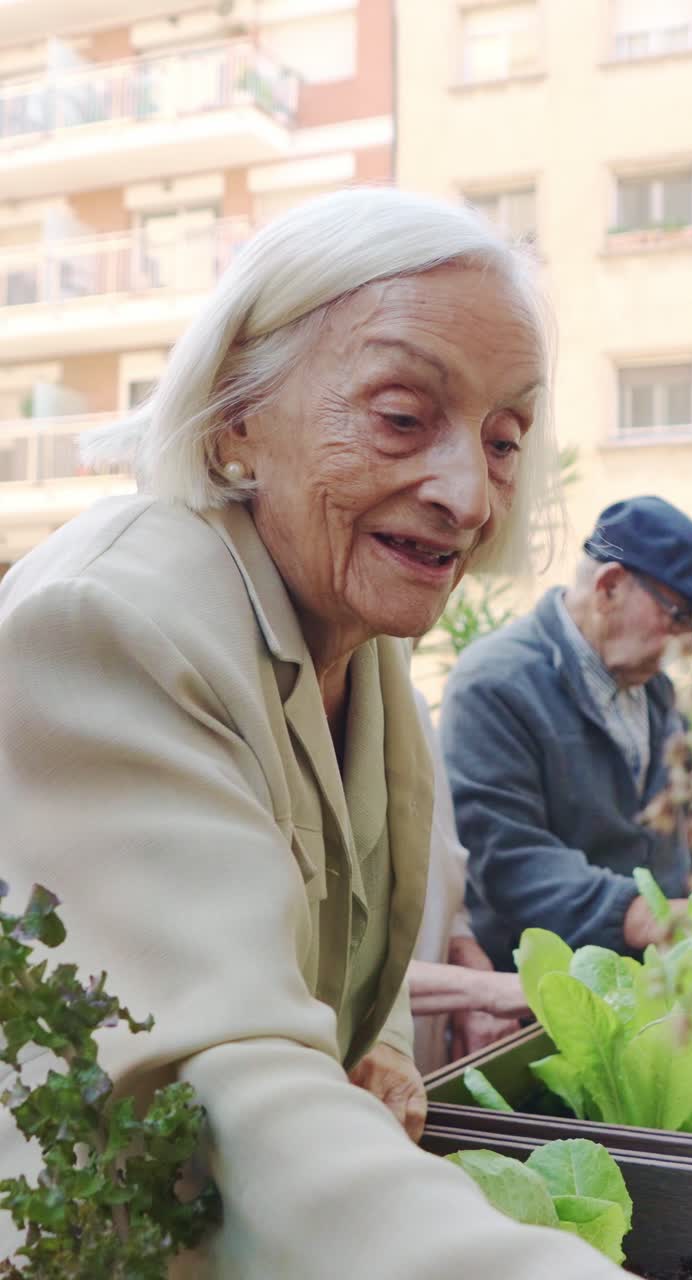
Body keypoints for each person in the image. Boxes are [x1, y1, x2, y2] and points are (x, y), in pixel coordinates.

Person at [0, 187, 628, 1280]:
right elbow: (221, 1091)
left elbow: (327, 947)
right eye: (400, 416)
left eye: (504, 439)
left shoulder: (363, 642)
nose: (466, 492)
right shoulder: (109, 622)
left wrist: (377, 1051)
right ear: (240, 411)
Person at [442, 495, 692, 973]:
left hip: (651, 981)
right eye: (678, 618)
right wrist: (650, 918)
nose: (688, 645)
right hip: (545, 995)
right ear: (610, 586)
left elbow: (677, 812)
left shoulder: (654, 688)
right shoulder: (495, 684)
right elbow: (511, 859)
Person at [409, 687, 528, 1075]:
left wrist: (472, 980)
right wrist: (487, 991)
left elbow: (444, 891)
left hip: (423, 1062)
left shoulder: (410, 701)